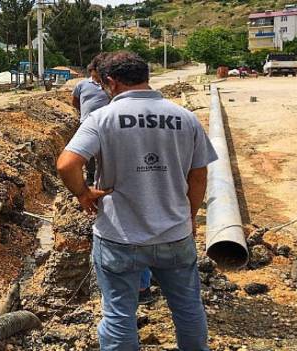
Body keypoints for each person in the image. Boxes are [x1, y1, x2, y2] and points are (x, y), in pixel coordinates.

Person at [56, 51, 218, 351]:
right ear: (146, 77)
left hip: (119, 236)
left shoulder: (101, 118)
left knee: (119, 316)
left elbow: (67, 164)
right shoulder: (185, 117)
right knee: (188, 309)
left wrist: (83, 193)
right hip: (174, 234)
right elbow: (199, 177)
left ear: (110, 82)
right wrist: (190, 216)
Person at [71, 54, 110, 185]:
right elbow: (75, 101)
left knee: (106, 151)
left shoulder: (110, 86)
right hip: (86, 123)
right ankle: (91, 174)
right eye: (96, 73)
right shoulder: (82, 85)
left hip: (106, 124)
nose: (98, 77)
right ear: (91, 71)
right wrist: (85, 113)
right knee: (88, 152)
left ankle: (106, 174)